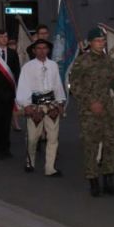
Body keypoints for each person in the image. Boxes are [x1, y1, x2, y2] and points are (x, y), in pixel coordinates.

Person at [69, 26, 114, 197]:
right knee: (91, 145)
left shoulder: (108, 61)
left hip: (107, 107)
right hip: (89, 110)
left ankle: (108, 179)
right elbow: (74, 85)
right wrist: (90, 102)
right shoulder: (82, 61)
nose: (101, 43)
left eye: (103, 40)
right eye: (98, 41)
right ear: (90, 43)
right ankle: (93, 181)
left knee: (112, 142)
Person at [15, 39, 65, 176]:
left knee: (53, 138)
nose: (42, 50)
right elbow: (23, 86)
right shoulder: (28, 67)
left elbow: (57, 84)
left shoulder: (54, 65)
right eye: (39, 48)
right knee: (32, 138)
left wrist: (60, 102)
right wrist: (25, 105)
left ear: (48, 50)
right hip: (34, 106)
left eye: (44, 48)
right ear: (34, 50)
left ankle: (50, 168)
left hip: (52, 105)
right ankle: (29, 162)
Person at [0, 28, 20, 159]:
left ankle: (5, 148)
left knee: (6, 122)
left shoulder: (12, 53)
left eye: (6, 36)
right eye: (2, 36)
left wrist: (17, 92)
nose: (5, 38)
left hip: (9, 94)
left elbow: (17, 72)